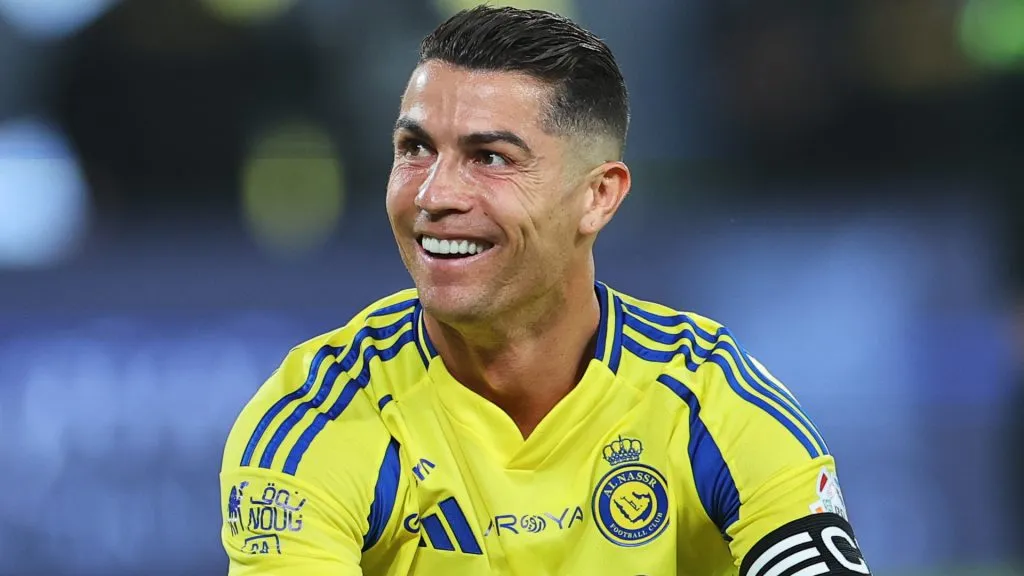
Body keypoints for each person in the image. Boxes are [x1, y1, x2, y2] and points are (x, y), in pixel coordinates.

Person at [219, 5, 871, 575]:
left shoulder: (710, 404)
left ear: (598, 197)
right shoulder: (315, 422)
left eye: (490, 157)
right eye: (415, 148)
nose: (434, 195)